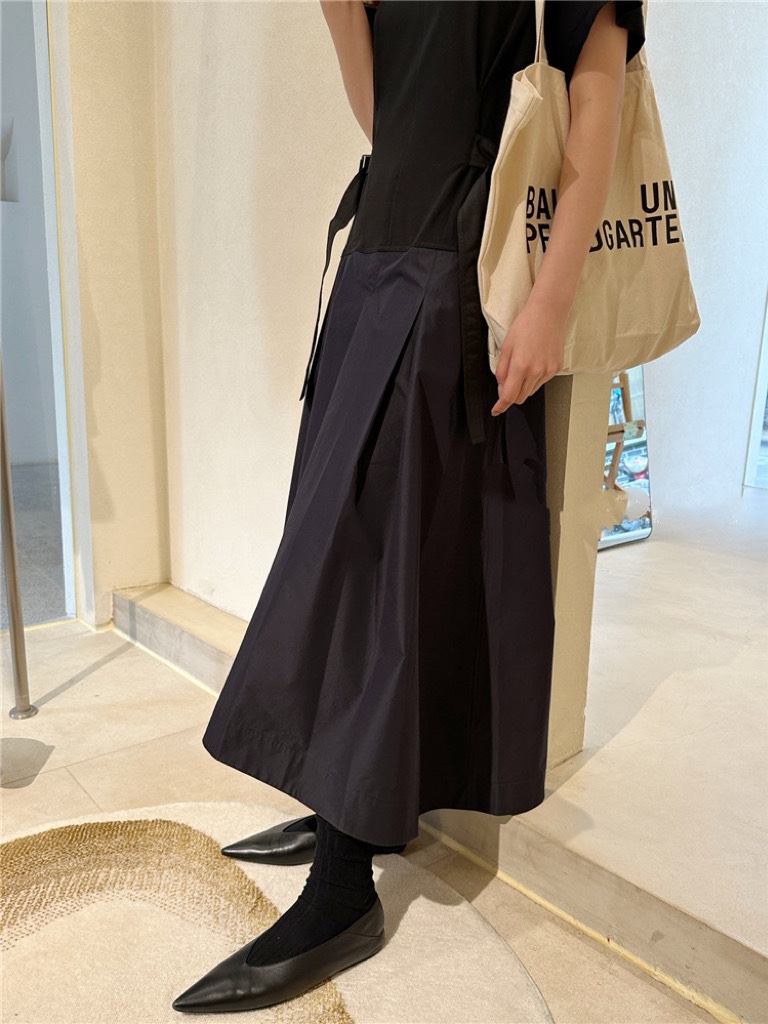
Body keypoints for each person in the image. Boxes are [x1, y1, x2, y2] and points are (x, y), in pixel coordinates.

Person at [172, 0, 645, 1014]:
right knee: (341, 547)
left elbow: (597, 96)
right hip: (375, 260)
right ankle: (352, 797)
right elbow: (386, 116)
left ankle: (346, 886)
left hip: (457, 276)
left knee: (381, 569)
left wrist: (553, 301)